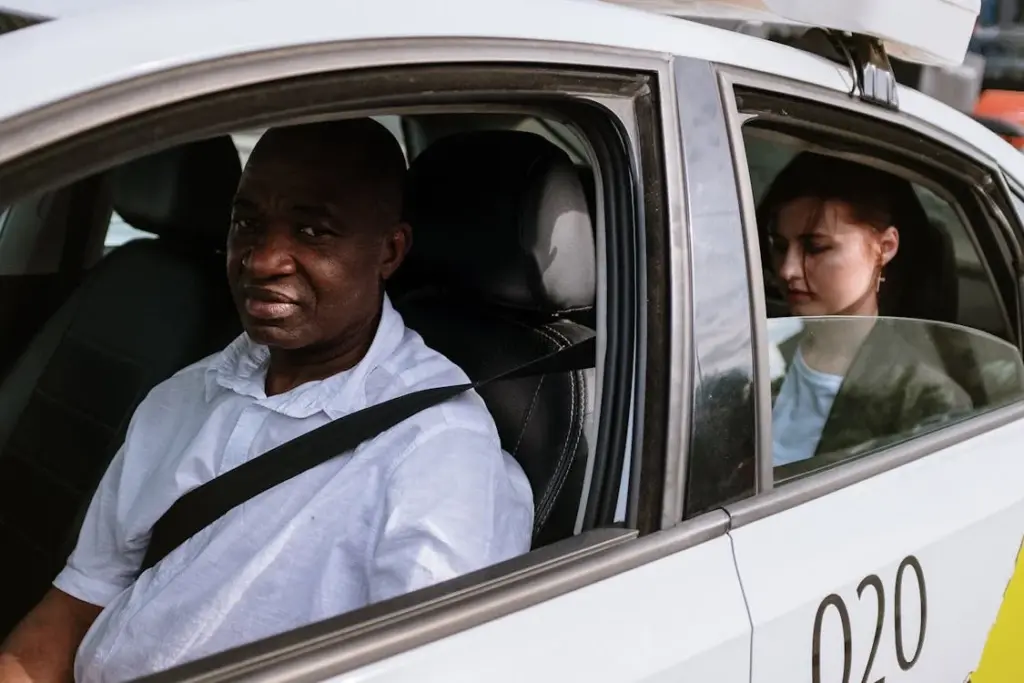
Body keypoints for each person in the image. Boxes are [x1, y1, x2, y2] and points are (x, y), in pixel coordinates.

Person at [0, 118, 534, 683]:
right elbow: (79, 600)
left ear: (389, 251)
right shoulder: (185, 394)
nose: (261, 260)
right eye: (247, 223)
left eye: (313, 232)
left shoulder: (438, 449)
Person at [759, 152, 970, 469]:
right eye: (779, 246)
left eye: (815, 247)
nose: (788, 269)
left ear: (884, 248)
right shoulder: (758, 347)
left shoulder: (925, 401)